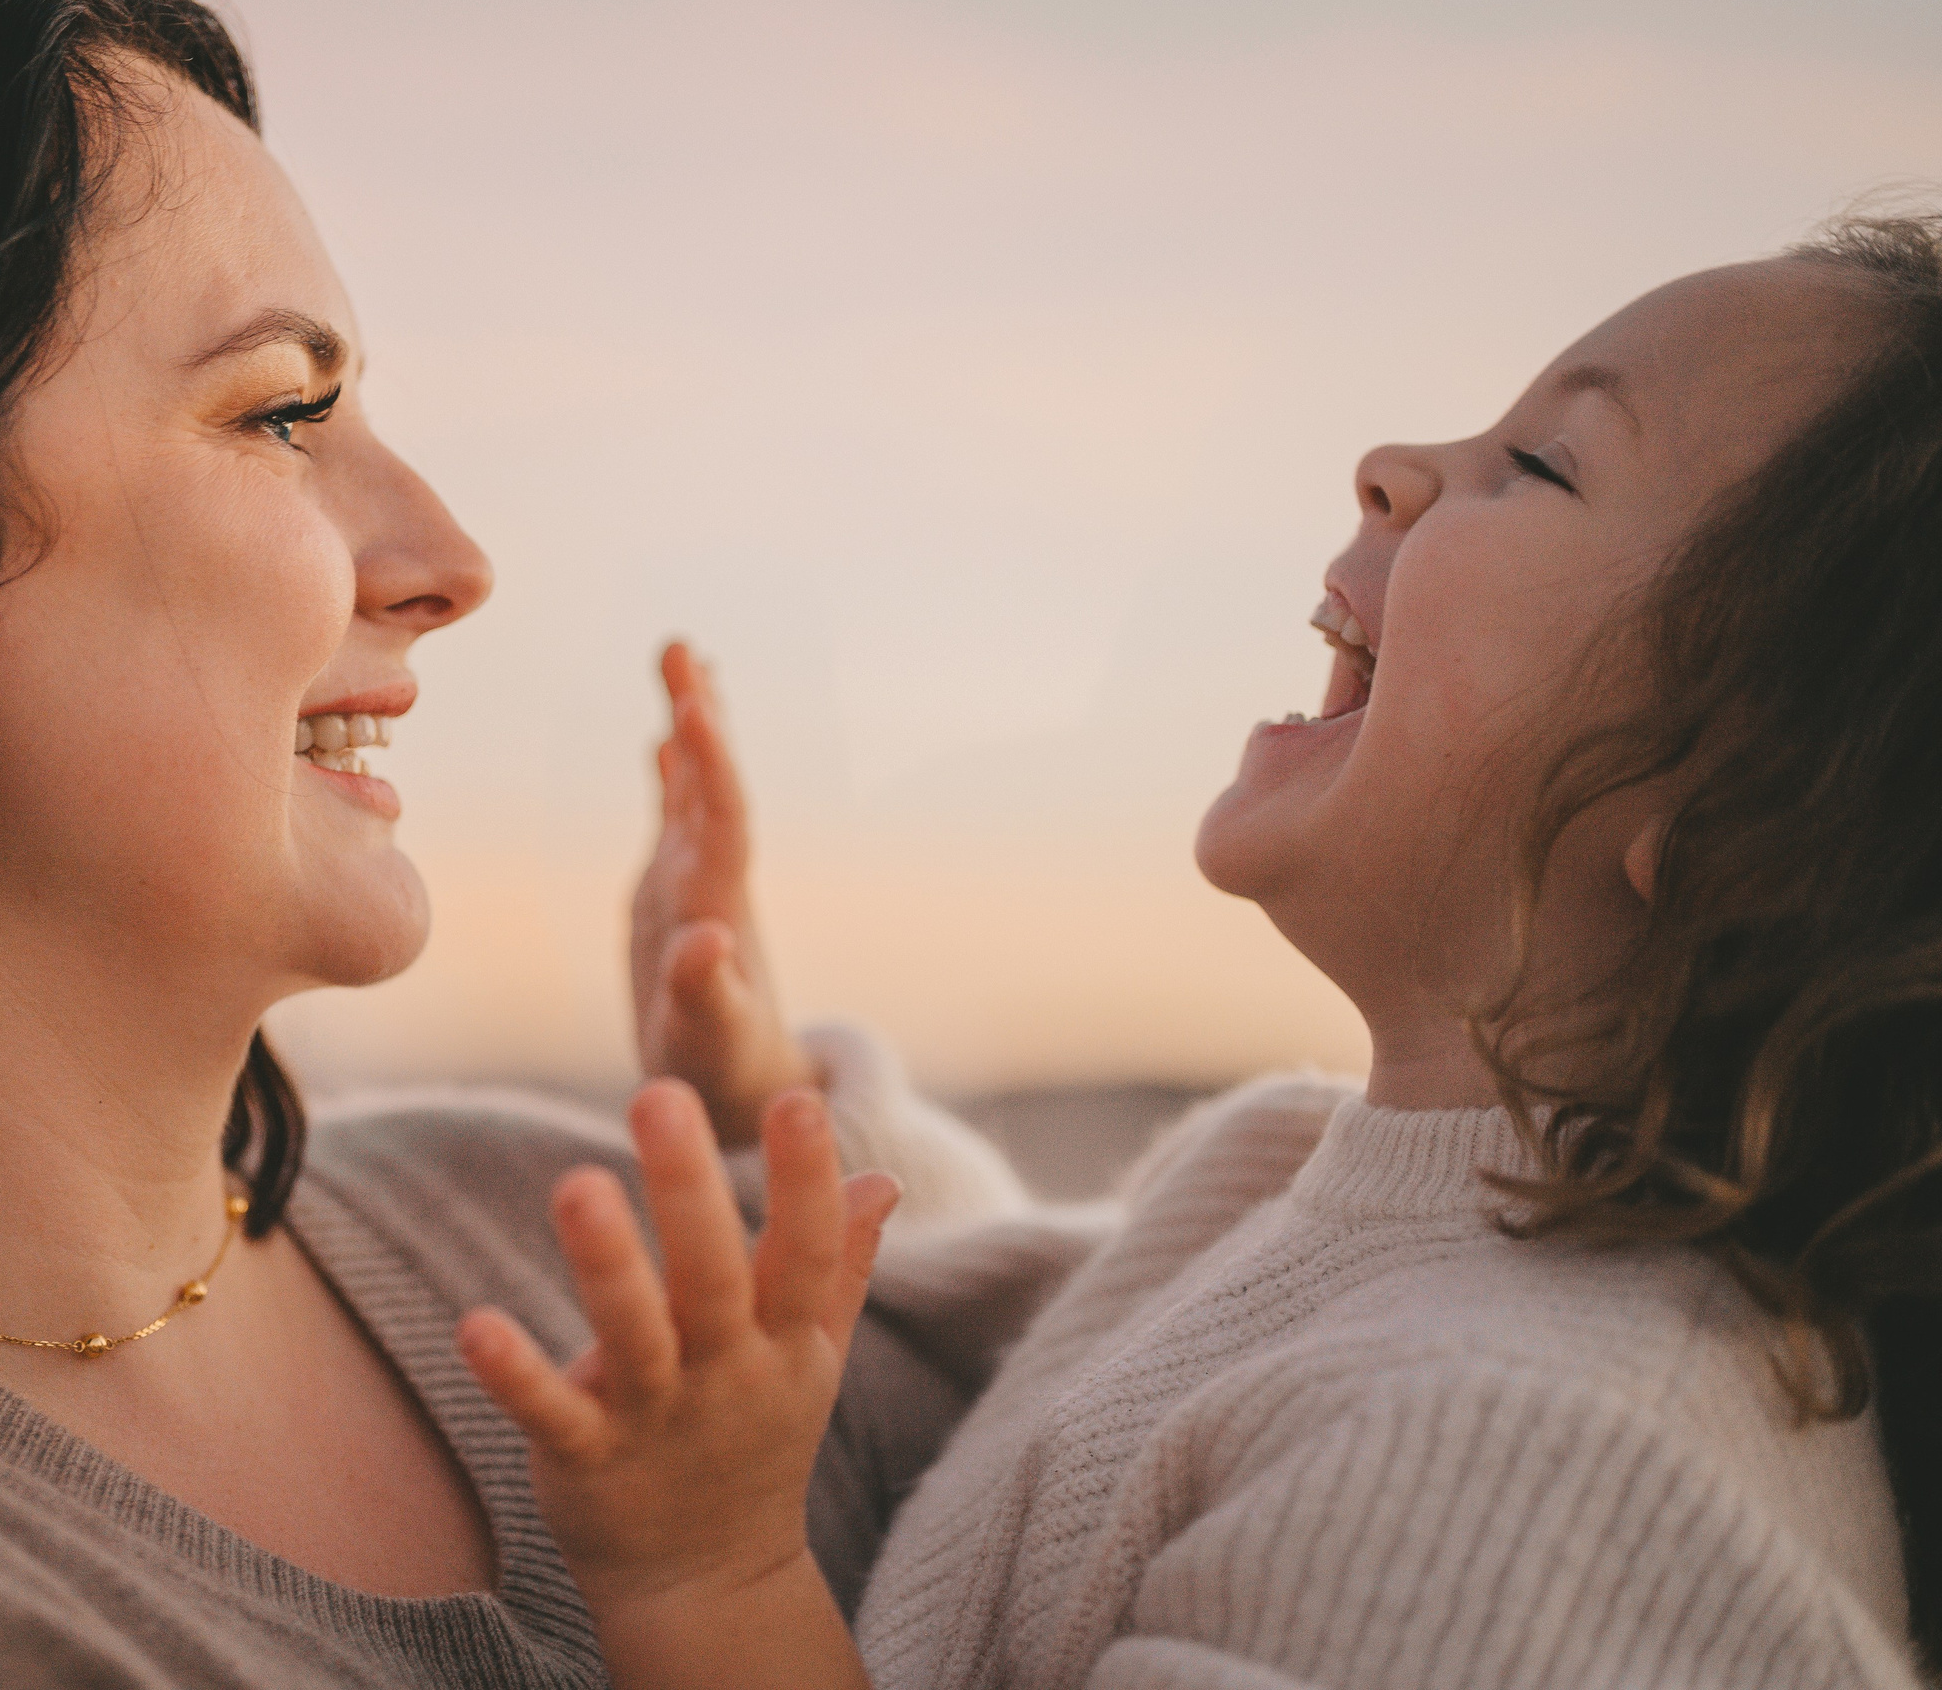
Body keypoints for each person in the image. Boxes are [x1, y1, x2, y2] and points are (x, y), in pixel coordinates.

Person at [0, 0, 1021, 1684]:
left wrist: (778, 1133)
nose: (449, 560)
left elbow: (1178, 1379)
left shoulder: (540, 1231)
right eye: (279, 416)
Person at [465, 220, 1942, 1688]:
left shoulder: (1529, 1469)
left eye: (1546, 463)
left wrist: (709, 1578)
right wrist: (768, 1095)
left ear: (1740, 816)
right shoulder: (1294, 1167)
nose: (1394, 461)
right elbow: (1032, 1379)